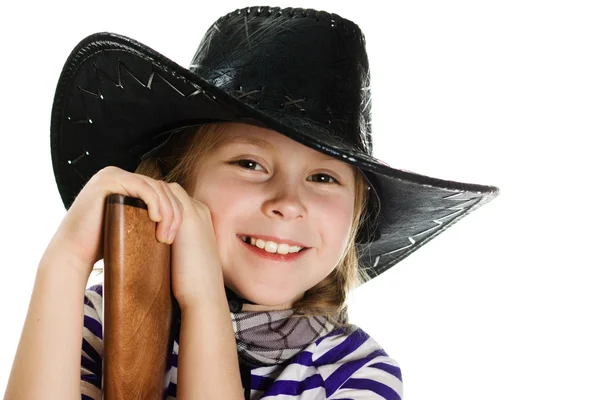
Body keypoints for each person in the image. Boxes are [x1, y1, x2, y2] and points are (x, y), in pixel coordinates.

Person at [4, 6, 499, 400]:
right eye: (250, 164)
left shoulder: (355, 373)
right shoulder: (101, 321)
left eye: (324, 177)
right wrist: (64, 264)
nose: (288, 203)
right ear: (177, 181)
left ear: (355, 218)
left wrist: (204, 301)